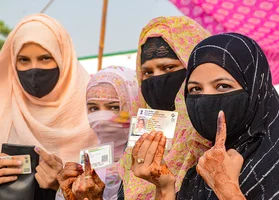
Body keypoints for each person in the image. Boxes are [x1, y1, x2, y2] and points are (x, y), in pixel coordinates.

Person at [131, 33, 279, 199]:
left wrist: (227, 189)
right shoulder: (201, 165)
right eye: (195, 89)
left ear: (255, 90)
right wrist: (164, 188)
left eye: (222, 86)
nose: (206, 100)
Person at [0, 13, 97, 195]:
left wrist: (62, 188)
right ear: (13, 62)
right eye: (24, 60)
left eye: (45, 58)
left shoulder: (95, 110)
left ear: (63, 57)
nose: (34, 69)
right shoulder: (3, 109)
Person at [118, 16, 212, 199]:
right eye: (147, 72)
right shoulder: (136, 148)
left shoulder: (211, 139)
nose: (156, 79)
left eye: (168, 68)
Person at [57, 66, 141, 200]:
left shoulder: (150, 167)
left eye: (113, 107)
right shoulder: (82, 170)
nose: (101, 117)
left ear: (134, 105)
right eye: (94, 108)